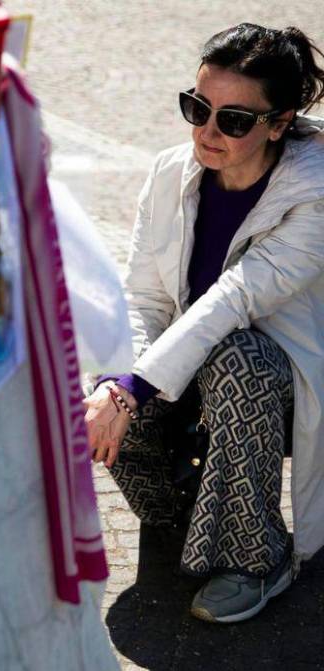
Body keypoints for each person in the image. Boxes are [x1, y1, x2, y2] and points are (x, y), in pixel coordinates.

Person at [85, 23, 324, 624]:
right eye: (197, 108)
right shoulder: (171, 172)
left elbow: (235, 299)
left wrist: (136, 385)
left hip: (282, 380)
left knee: (237, 355)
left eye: (234, 120)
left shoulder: (315, 194)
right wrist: (117, 386)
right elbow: (141, 295)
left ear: (278, 122)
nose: (207, 132)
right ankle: (190, 517)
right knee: (106, 387)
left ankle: (255, 558)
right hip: (188, 363)